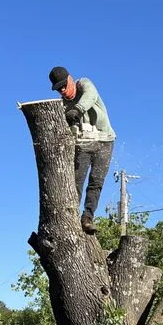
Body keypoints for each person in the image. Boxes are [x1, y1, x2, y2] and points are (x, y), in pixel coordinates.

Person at [49, 66, 116, 234]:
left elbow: (90, 96)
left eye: (65, 86)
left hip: (104, 140)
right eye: (59, 89)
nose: (63, 91)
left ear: (71, 79)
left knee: (96, 181)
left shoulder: (84, 84)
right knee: (76, 181)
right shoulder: (63, 105)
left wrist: (77, 110)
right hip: (84, 144)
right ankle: (71, 217)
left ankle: (87, 218)